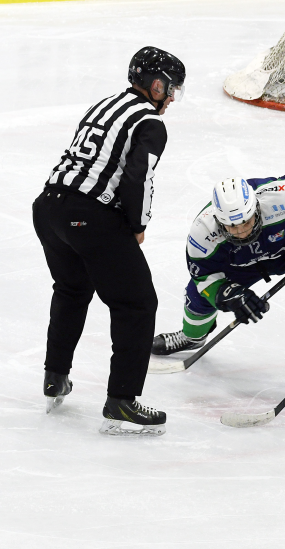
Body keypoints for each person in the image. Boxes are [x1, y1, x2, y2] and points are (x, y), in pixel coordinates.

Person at [34, 47, 185, 435]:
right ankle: (121, 400)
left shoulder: (106, 104)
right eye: (171, 89)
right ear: (155, 84)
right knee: (137, 304)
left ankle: (56, 376)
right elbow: (139, 177)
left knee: (71, 288)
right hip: (89, 216)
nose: (171, 98)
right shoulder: (150, 122)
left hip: (48, 207)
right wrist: (137, 224)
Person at [152, 165, 285, 411]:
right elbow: (202, 276)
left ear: (256, 207)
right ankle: (193, 337)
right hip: (244, 264)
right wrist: (229, 296)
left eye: (246, 222)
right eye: (231, 226)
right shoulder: (203, 232)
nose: (241, 231)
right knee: (198, 297)